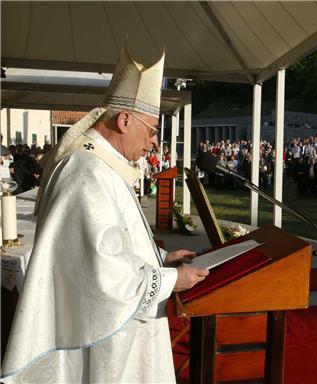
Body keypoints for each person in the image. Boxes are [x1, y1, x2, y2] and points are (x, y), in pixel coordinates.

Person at [1, 43, 209, 383]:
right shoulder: (87, 172)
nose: (154, 142)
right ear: (124, 120)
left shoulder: (102, 165)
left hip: (119, 329)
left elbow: (113, 240)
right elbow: (100, 270)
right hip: (109, 341)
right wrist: (171, 280)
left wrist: (160, 257)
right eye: (152, 130)